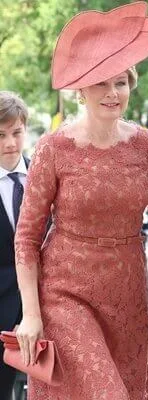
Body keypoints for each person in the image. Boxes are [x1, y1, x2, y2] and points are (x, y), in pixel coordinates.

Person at [13, 3, 148, 398]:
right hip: (66, 292)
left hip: (128, 293)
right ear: (80, 89)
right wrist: (31, 314)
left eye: (120, 83)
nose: (112, 94)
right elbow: (27, 237)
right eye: (100, 83)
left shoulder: (146, 146)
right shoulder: (54, 148)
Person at [0, 91, 28, 400]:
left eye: (17, 132)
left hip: (48, 311)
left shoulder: (44, 175)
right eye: (1, 135)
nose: (10, 143)